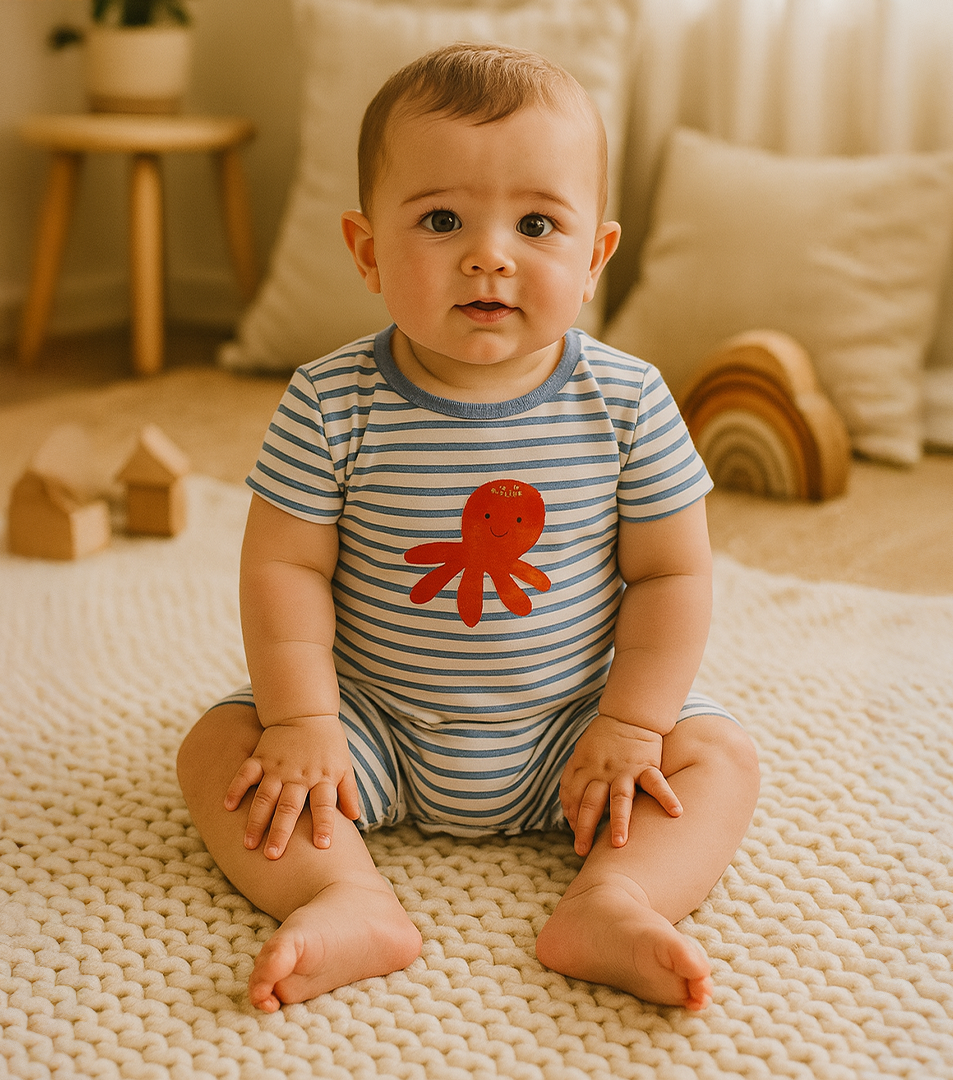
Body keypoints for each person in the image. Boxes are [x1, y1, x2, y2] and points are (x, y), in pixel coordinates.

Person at [177, 42, 760, 1014]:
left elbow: (673, 577)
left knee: (721, 761)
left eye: (537, 223)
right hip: (372, 730)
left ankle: (615, 897)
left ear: (593, 258)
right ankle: (340, 892)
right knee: (219, 745)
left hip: (573, 741)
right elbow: (282, 567)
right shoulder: (329, 402)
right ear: (367, 250)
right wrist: (306, 722)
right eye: (441, 218)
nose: (490, 253)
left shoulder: (629, 402)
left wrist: (630, 723)